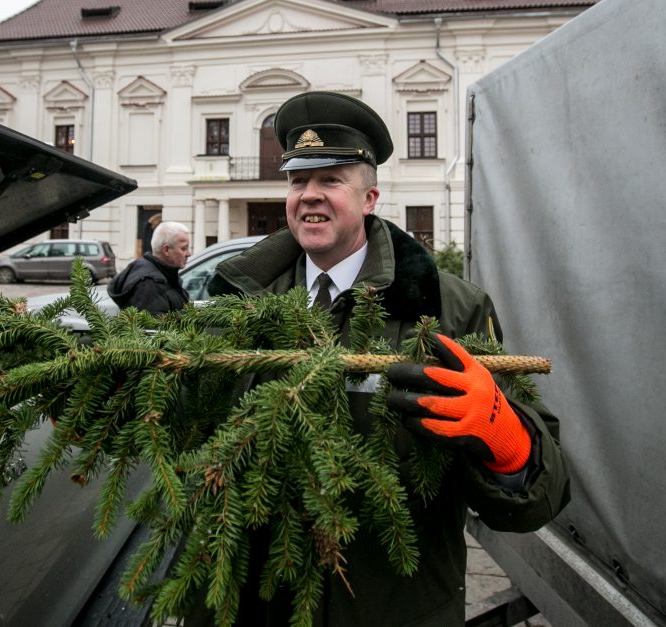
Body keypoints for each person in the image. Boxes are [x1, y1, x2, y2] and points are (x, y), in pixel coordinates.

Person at [191, 91, 571, 626]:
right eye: (299, 181)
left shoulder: (447, 307)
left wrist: (503, 437)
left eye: (331, 180)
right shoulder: (237, 302)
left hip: (396, 607)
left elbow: (540, 498)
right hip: (256, 606)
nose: (310, 196)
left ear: (369, 198)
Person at [108, 221, 192, 315]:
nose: (189, 254)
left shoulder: (165, 276)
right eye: (184, 248)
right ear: (166, 250)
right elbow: (152, 328)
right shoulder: (149, 285)